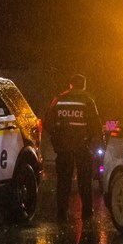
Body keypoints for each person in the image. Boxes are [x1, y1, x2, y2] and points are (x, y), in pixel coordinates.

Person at [45, 74, 103, 224]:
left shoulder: (58, 99)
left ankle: (61, 213)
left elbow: (48, 124)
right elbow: (96, 125)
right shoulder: (88, 100)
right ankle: (87, 213)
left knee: (63, 181)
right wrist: (93, 142)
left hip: (63, 148)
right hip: (82, 147)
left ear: (70, 85)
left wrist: (57, 139)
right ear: (83, 85)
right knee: (85, 181)